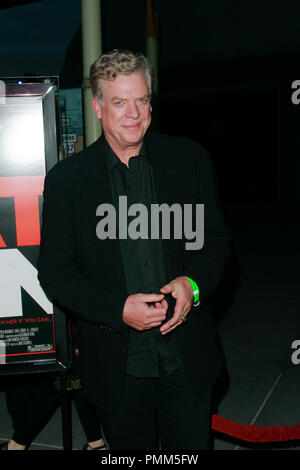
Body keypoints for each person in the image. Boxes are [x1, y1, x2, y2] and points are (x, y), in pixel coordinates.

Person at [37, 49, 231, 450]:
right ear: (97, 107)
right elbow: (55, 272)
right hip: (116, 368)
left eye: (141, 99)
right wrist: (117, 309)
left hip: (186, 356)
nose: (134, 113)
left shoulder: (189, 159)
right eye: (120, 102)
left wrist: (192, 286)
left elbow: (216, 241)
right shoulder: (68, 181)